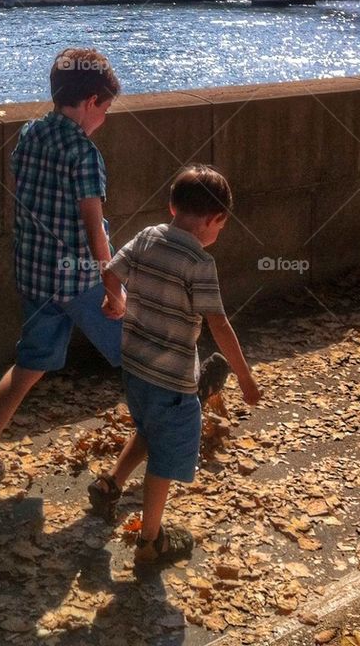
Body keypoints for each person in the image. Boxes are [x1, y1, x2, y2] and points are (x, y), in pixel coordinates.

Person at [0, 46, 124, 485]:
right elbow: (93, 229)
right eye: (105, 109)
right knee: (140, 349)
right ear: (91, 103)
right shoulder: (85, 154)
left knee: (29, 364)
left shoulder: (30, 134)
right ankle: (176, 415)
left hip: (34, 273)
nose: (104, 119)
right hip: (78, 278)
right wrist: (113, 285)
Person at [96, 164, 261, 565]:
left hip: (134, 366)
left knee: (150, 427)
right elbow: (217, 323)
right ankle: (151, 540)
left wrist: (114, 300)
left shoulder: (147, 237)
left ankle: (110, 485)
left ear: (172, 205)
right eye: (221, 227)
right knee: (166, 457)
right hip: (171, 377)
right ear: (215, 219)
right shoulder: (199, 264)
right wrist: (245, 376)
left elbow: (109, 270)